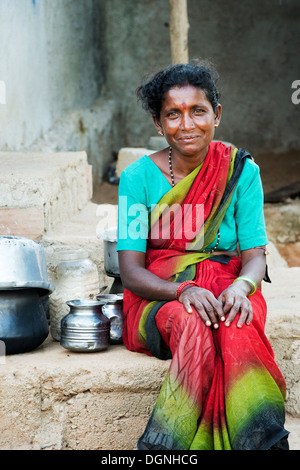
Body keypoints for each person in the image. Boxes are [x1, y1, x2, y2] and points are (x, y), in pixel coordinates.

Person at [116, 61, 289, 450]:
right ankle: (166, 449)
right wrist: (182, 291)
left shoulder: (241, 171)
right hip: (159, 296)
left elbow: (255, 255)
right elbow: (130, 272)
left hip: (230, 286)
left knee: (238, 327)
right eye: (172, 115)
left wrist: (243, 288)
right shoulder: (137, 178)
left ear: (217, 115)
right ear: (159, 125)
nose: (187, 124)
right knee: (193, 323)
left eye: (198, 110)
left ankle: (262, 442)